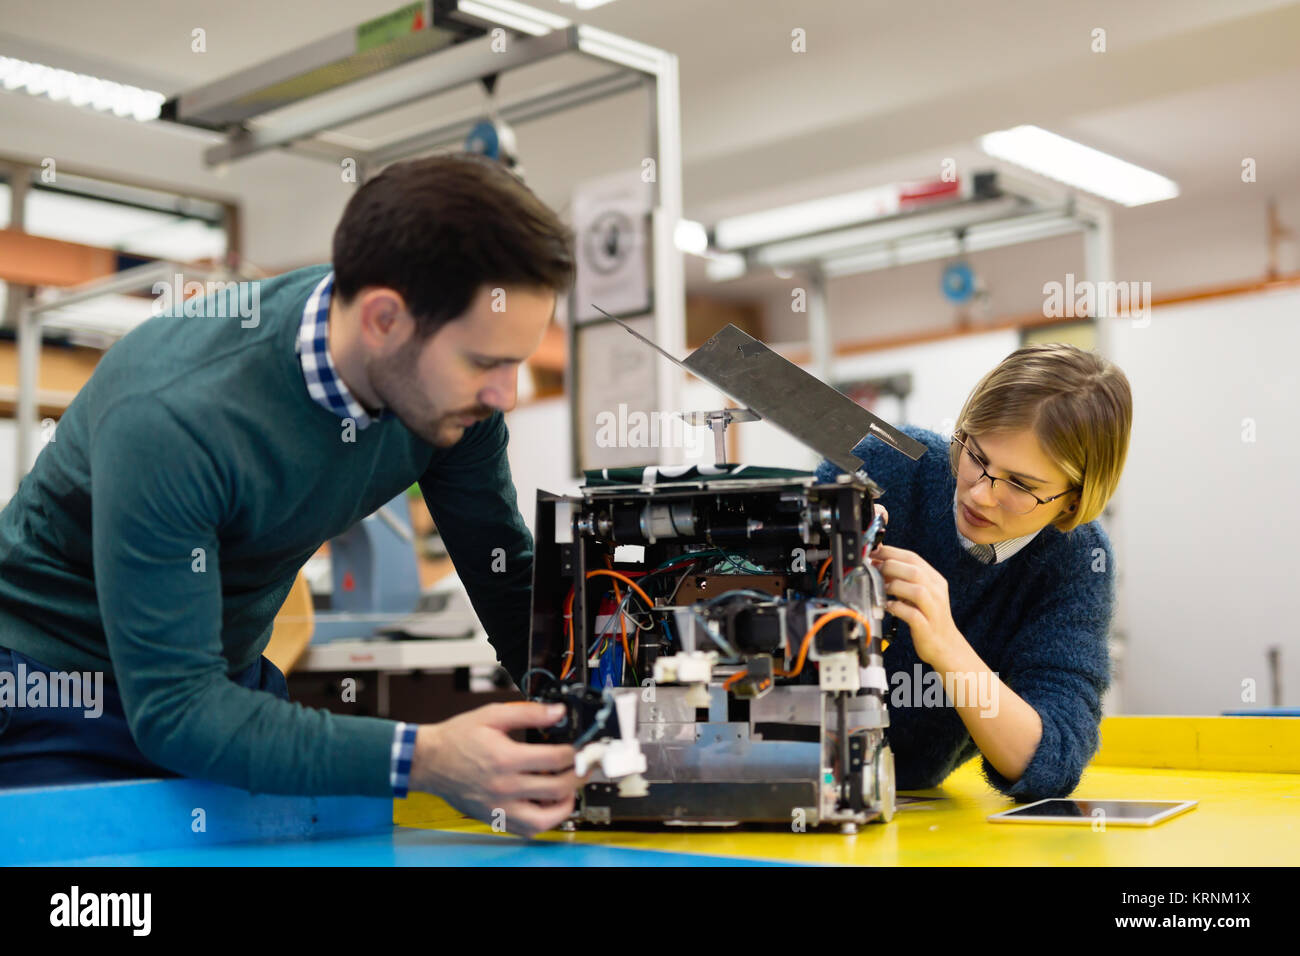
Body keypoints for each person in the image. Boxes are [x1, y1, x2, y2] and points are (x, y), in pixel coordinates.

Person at [0, 153, 582, 837]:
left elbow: (508, 585)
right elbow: (177, 712)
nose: (505, 395)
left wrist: (596, 718)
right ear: (384, 320)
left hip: (220, 686)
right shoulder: (174, 413)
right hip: (56, 687)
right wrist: (423, 757)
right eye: (486, 362)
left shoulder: (456, 408)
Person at [816, 343, 1132, 801]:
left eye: (1022, 485)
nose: (981, 495)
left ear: (1075, 499)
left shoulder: (1076, 561)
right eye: (977, 456)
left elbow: (1051, 758)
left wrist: (946, 645)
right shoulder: (885, 468)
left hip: (907, 807)